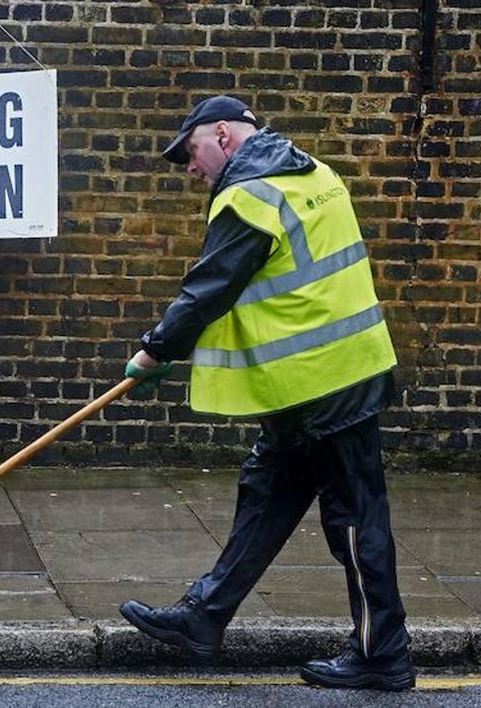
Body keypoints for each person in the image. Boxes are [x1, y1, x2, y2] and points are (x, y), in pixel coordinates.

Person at [119, 95, 415, 691]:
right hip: (318, 378)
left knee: (354, 517)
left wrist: (154, 350)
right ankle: (204, 617)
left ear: (224, 135)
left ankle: (383, 653)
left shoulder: (249, 196)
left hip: (328, 382)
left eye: (191, 152)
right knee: (267, 495)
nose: (188, 168)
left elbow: (210, 289)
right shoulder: (314, 173)